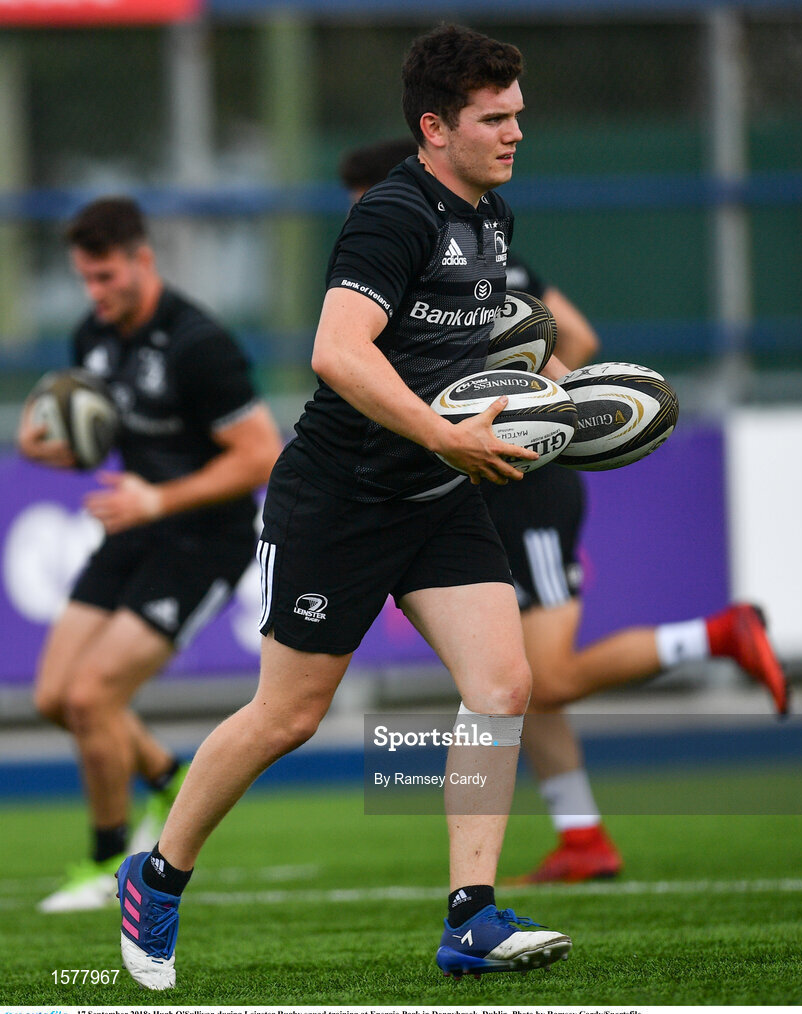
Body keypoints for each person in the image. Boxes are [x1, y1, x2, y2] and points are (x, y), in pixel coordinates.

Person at [115, 23, 577, 990]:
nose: (514, 132)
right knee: (288, 716)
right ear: (433, 126)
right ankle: (155, 878)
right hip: (338, 500)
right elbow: (337, 352)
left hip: (435, 495)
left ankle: (471, 918)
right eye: (494, 118)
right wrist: (445, 434)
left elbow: (468, 343)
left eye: (517, 115)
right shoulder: (394, 214)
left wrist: (555, 391)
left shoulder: (489, 215)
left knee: (502, 686)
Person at [340, 138, 790, 884]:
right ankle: (581, 835)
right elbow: (565, 337)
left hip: (525, 487)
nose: (363, 223)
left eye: (365, 205)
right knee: (502, 679)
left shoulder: (455, 264)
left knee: (537, 680)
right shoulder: (465, 260)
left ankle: (711, 636)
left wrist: (526, 414)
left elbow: (566, 346)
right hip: (479, 480)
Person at [17, 197, 282, 913]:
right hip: (132, 529)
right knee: (52, 698)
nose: (96, 294)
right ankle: (165, 772)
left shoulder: (199, 344)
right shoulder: (93, 337)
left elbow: (261, 455)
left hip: (203, 540)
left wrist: (159, 500)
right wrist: (47, 445)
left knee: (90, 697)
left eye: (106, 277)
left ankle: (105, 867)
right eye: (85, 279)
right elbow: (95, 437)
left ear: (143, 260)